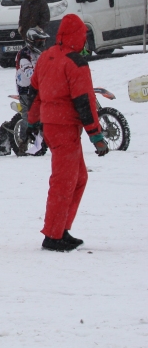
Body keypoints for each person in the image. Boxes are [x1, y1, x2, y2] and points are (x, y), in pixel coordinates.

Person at [28, 13, 108, 252]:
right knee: (64, 182)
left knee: (78, 178)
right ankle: (53, 235)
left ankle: (61, 228)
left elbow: (34, 93)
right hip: (64, 128)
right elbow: (85, 103)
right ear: (79, 36)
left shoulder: (47, 56)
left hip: (52, 126)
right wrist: (96, 136)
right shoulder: (76, 63)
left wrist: (32, 123)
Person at [10, 26, 50, 155]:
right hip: (26, 90)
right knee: (29, 116)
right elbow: (30, 73)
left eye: (43, 41)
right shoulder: (24, 54)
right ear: (31, 41)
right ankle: (22, 143)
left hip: (41, 87)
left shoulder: (43, 53)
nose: (42, 43)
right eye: (39, 41)